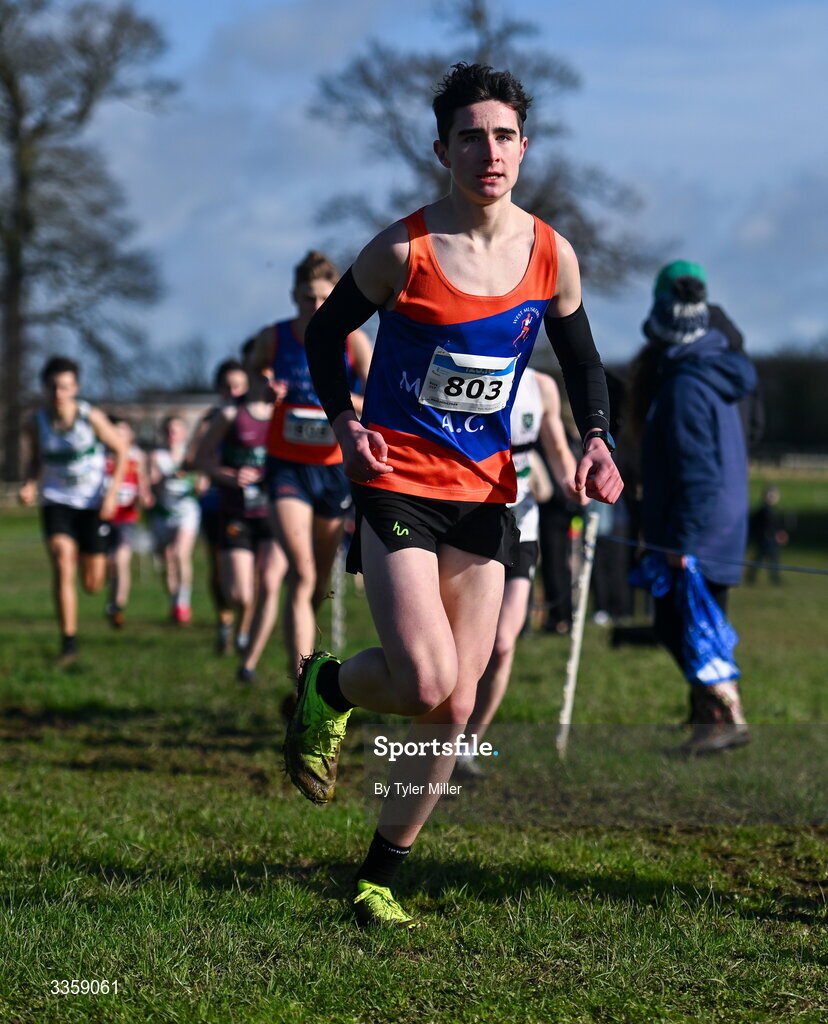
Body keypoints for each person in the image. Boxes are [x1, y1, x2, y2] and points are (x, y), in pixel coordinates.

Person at [283, 62, 623, 928]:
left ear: (524, 147)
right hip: (397, 481)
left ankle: (376, 881)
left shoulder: (550, 255)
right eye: (471, 137)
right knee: (425, 676)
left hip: (483, 495)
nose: (490, 152)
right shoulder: (403, 250)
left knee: (457, 704)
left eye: (504, 136)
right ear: (442, 151)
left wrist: (596, 439)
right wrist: (345, 420)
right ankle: (330, 686)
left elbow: (583, 361)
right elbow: (325, 336)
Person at [630, 263, 756, 755]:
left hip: (698, 528)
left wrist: (681, 541)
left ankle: (726, 716)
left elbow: (698, 474)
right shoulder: (714, 371)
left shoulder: (684, 387)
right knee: (698, 623)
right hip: (721, 521)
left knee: (681, 625)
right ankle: (710, 722)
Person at [456, 367, 588, 776]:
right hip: (466, 522)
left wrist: (573, 482)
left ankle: (467, 745)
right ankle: (438, 734)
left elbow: (557, 447)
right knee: (460, 644)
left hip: (521, 526)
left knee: (501, 645)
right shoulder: (465, 371)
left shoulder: (541, 386)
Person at [253, 252, 372, 681]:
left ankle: (306, 665)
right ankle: (301, 684)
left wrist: (340, 400)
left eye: (324, 297)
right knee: (301, 574)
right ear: (294, 296)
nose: (316, 306)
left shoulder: (353, 340)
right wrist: (265, 387)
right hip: (287, 466)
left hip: (333, 467)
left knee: (317, 583)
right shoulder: (275, 336)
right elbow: (253, 375)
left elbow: (378, 396)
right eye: (307, 298)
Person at [18, 355, 127, 665]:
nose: (58, 393)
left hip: (92, 503)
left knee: (92, 585)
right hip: (57, 500)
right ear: (44, 387)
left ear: (76, 388)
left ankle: (95, 559)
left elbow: (121, 450)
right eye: (53, 387)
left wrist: (111, 494)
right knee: (62, 561)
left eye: (65, 387)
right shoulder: (35, 421)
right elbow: (34, 459)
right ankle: (68, 643)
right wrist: (29, 483)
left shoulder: (89, 417)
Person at [196, 340, 288, 684]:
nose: (266, 379)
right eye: (259, 372)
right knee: (240, 593)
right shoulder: (230, 415)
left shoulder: (286, 413)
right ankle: (241, 626)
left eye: (270, 373)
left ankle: (249, 659)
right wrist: (229, 475)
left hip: (277, 510)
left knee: (270, 583)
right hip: (237, 512)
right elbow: (202, 459)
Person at [185, 359, 250, 654]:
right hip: (216, 501)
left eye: (238, 386)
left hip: (251, 503)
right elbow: (192, 457)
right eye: (227, 386)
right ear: (218, 389)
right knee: (218, 569)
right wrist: (207, 470)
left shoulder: (255, 415)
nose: (233, 391)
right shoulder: (211, 418)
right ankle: (224, 622)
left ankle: (244, 629)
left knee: (252, 571)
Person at [148, 415, 201, 624]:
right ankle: (174, 601)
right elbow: (152, 484)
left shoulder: (191, 456)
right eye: (169, 430)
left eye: (176, 430)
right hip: (162, 512)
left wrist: (196, 481)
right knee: (167, 559)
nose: (172, 434)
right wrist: (167, 477)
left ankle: (183, 603)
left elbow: (202, 483)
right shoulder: (157, 456)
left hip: (186, 511)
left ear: (184, 434)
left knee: (180, 553)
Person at [103, 417, 153, 628]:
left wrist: (145, 495)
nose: (119, 436)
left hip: (126, 517)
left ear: (130, 435)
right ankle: (111, 598)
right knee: (107, 563)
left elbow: (143, 483)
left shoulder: (136, 456)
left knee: (121, 560)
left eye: (123, 432)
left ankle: (117, 606)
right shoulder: (102, 457)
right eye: (115, 432)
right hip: (104, 517)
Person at [746, 485, 787, 585]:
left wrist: (779, 533)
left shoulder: (771, 510)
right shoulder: (764, 510)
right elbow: (758, 525)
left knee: (764, 558)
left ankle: (753, 577)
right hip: (766, 539)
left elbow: (774, 525)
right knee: (767, 559)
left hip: (769, 539)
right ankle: (773, 578)